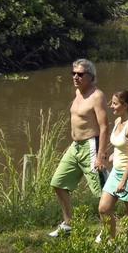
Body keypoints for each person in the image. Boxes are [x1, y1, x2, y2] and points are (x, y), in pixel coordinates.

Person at [48, 58, 109, 237]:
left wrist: (101, 155)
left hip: (91, 146)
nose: (75, 77)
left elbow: (104, 126)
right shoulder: (78, 92)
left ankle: (107, 231)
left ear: (91, 76)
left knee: (102, 193)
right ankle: (68, 224)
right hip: (75, 146)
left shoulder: (97, 96)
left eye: (80, 74)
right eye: (73, 73)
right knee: (58, 183)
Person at [99, 89, 128, 253]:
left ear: (125, 105)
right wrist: (109, 157)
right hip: (116, 172)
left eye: (114, 103)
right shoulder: (119, 120)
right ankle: (112, 245)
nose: (110, 106)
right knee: (103, 209)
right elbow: (122, 147)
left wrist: (124, 181)